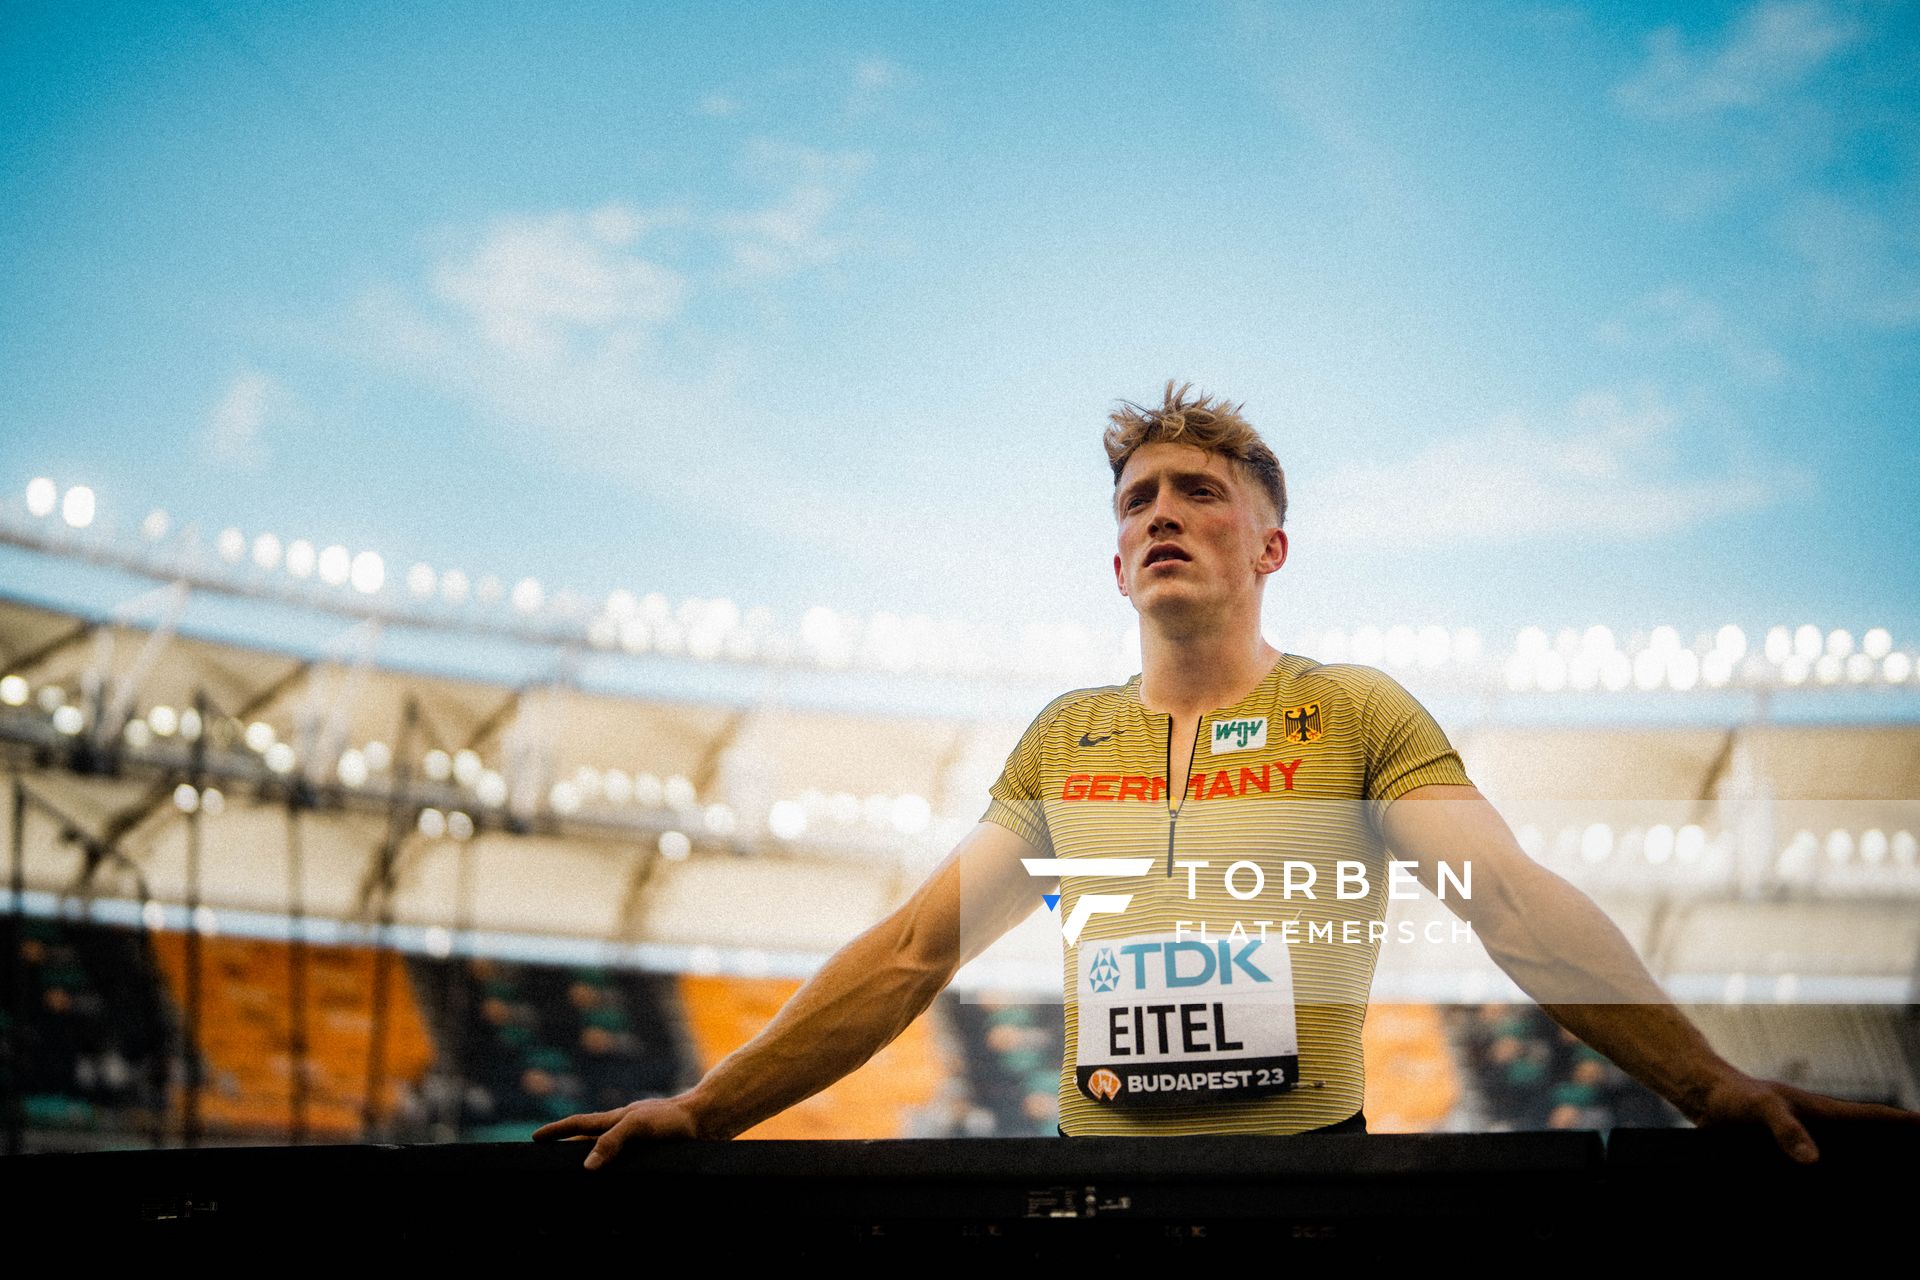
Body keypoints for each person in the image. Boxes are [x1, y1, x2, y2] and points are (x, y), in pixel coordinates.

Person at [535, 381, 1920, 1165]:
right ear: (1115, 560)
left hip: (1313, 1189)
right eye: (1138, 500)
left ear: (1270, 547)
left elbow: (1508, 900)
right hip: (1102, 1199)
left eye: (1199, 492)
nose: (1163, 514)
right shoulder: (1064, 739)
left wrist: (1706, 1082)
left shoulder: (1358, 713)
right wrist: (704, 1107)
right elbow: (909, 954)